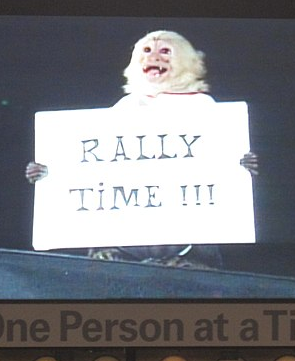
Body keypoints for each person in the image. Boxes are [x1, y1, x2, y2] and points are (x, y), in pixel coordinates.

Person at [24, 30, 257, 267]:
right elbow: (92, 170)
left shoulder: (204, 107)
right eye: (147, 51)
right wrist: (49, 173)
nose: (154, 57)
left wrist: (240, 165)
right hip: (123, 242)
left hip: (186, 243)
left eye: (165, 51)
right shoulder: (123, 109)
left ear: (187, 61)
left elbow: (220, 169)